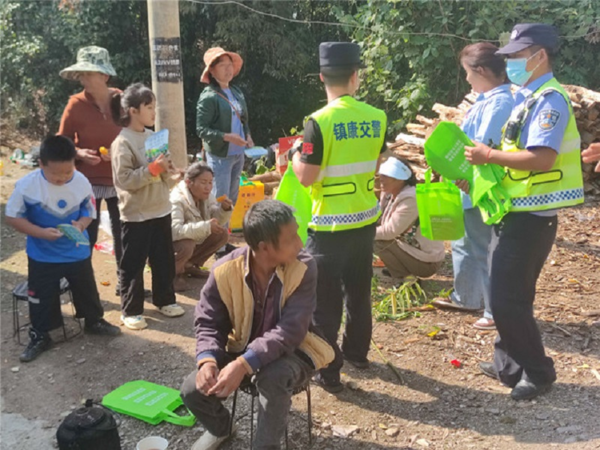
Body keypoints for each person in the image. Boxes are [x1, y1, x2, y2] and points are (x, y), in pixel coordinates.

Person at [465, 23, 584, 400]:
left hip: (531, 219)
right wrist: (479, 178)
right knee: (510, 294)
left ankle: (539, 372)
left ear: (539, 56)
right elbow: (511, 160)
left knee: (505, 299)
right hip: (513, 211)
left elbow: (542, 158)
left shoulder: (549, 99)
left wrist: (486, 155)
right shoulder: (526, 97)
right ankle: (509, 365)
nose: (511, 63)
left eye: (517, 56)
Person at [180, 200, 334, 450]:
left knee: (273, 377)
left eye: (297, 233)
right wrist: (207, 360)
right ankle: (222, 429)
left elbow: (291, 331)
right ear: (264, 247)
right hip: (243, 344)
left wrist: (243, 364)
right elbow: (208, 320)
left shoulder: (304, 267)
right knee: (191, 390)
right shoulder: (223, 270)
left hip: (295, 350)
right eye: (291, 238)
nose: (300, 243)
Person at [291, 42, 387, 392]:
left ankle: (329, 372)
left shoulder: (318, 122)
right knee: (359, 293)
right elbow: (377, 164)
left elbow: (307, 177)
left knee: (325, 303)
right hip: (364, 221)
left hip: (329, 226)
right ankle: (358, 353)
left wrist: (295, 156)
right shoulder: (377, 118)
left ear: (321, 77)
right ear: (355, 77)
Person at [5, 136, 121, 363]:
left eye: (67, 172)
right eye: (55, 174)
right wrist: (40, 232)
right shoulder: (27, 186)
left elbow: (88, 211)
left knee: (86, 286)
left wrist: (80, 225)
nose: (62, 178)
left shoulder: (81, 182)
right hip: (42, 254)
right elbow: (12, 217)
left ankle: (93, 320)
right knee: (41, 294)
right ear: (41, 164)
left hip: (76, 250)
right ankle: (41, 334)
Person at [432, 42, 514, 330]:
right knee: (464, 242)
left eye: (467, 73)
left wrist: (466, 176)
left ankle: (494, 311)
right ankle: (466, 296)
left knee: (484, 249)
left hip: (479, 185)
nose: (466, 79)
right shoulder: (486, 99)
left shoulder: (501, 102)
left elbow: (484, 147)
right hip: (467, 182)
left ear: (480, 70)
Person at [110, 83, 184, 330]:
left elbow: (164, 170)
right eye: (149, 107)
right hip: (137, 214)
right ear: (132, 110)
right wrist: (153, 169)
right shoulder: (122, 142)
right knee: (133, 263)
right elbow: (125, 180)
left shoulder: (153, 136)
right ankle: (131, 310)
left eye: (154, 107)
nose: (153, 112)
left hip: (161, 207)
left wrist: (172, 174)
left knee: (163, 259)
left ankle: (165, 299)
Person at [58, 46, 126, 295]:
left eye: (89, 73)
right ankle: (82, 288)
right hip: (87, 181)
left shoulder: (121, 99)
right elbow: (61, 142)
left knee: (124, 234)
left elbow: (136, 128)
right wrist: (78, 153)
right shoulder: (75, 105)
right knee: (87, 234)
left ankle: (126, 282)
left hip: (121, 178)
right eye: (81, 75)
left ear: (105, 76)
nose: (83, 79)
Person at [374, 157, 445, 280]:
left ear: (399, 180)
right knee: (373, 234)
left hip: (427, 262)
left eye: (387, 176)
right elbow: (378, 217)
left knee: (376, 241)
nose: (381, 179)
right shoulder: (388, 193)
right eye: (382, 175)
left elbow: (389, 231)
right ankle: (400, 269)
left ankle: (405, 278)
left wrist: (361, 233)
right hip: (410, 249)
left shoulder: (410, 199)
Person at [170, 162, 233, 292]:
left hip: (190, 240)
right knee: (187, 244)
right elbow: (174, 231)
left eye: (210, 182)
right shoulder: (177, 199)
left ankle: (189, 266)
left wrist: (224, 209)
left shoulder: (206, 196)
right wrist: (205, 226)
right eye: (203, 182)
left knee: (221, 234)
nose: (208, 187)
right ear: (189, 182)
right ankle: (172, 275)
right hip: (167, 247)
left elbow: (215, 218)